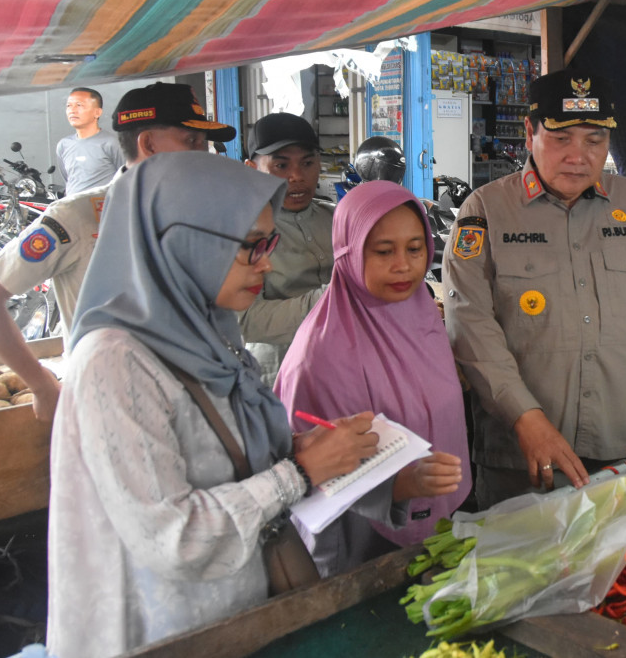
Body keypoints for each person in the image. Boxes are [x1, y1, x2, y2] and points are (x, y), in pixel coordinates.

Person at [46, 151, 378, 658]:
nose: (267, 262)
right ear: (182, 241)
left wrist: (301, 450)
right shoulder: (115, 364)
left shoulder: (209, 333)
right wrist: (298, 471)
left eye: (270, 243)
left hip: (237, 618)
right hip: (155, 634)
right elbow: (173, 537)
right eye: (251, 247)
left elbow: (224, 464)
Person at [443, 69, 626, 509]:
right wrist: (525, 416)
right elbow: (469, 327)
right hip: (527, 462)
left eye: (595, 140)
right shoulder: (486, 211)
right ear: (530, 132)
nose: (579, 156)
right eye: (562, 138)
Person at [0, 81, 234, 421]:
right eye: (192, 140)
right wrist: (41, 384)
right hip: (110, 412)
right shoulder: (77, 217)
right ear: (149, 144)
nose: (203, 152)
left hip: (191, 406)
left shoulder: (197, 212)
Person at [276, 181, 469, 575]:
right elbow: (306, 478)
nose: (403, 265)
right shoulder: (319, 356)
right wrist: (399, 486)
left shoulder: (421, 315)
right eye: (383, 252)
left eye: (415, 249)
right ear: (347, 252)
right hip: (360, 546)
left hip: (439, 522)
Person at [239, 113, 333, 386]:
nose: (297, 177)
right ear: (252, 168)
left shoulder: (337, 218)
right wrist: (330, 301)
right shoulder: (241, 231)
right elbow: (246, 320)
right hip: (278, 374)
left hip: (342, 366)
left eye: (307, 163)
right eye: (281, 165)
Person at [55, 87, 123, 195]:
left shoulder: (111, 143)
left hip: (102, 209)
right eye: (69, 105)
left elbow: (126, 179)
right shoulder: (63, 145)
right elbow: (68, 180)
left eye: (79, 105)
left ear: (97, 112)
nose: (72, 110)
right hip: (73, 209)